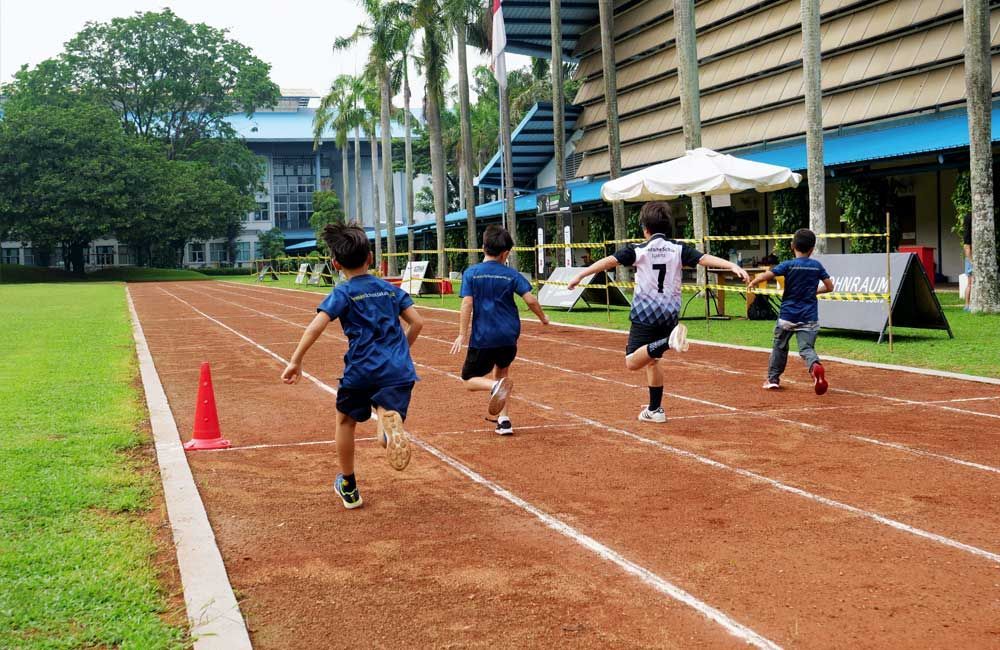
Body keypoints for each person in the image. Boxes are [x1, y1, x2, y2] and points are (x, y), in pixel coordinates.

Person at [281, 223, 424, 510]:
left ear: (335, 264)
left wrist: (296, 360)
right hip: (397, 369)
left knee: (346, 421)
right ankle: (387, 432)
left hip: (361, 369)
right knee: (386, 408)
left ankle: (348, 485)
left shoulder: (343, 293)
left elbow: (315, 327)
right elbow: (418, 322)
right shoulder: (390, 290)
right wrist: (401, 350)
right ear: (370, 258)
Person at [567, 202, 749, 423]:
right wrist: (732, 266)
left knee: (632, 362)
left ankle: (668, 342)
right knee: (653, 361)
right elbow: (704, 258)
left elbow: (609, 262)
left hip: (645, 315)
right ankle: (655, 410)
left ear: (645, 228)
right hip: (669, 315)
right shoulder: (679, 249)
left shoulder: (638, 249)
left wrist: (581, 274)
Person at [450, 225, 550, 435]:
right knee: (502, 374)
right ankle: (504, 420)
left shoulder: (471, 273)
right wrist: (543, 318)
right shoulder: (511, 275)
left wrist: (462, 333)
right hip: (508, 336)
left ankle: (493, 388)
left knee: (468, 380)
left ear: (483, 247)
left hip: (483, 337)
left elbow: (467, 304)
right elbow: (530, 299)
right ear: (505, 253)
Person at [747, 228, 834, 395]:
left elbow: (768, 275)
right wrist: (816, 291)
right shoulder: (817, 266)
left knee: (779, 346)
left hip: (788, 316)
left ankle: (773, 379)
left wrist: (754, 282)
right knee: (806, 349)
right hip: (809, 317)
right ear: (812, 249)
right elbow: (830, 286)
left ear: (792, 246)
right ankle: (815, 367)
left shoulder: (788, 264)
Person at [963, 212, 973, 311]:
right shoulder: (968, 234)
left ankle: (968, 305)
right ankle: (967, 305)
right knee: (970, 283)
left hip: (971, 260)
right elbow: (966, 248)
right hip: (970, 260)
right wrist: (971, 262)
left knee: (971, 283)